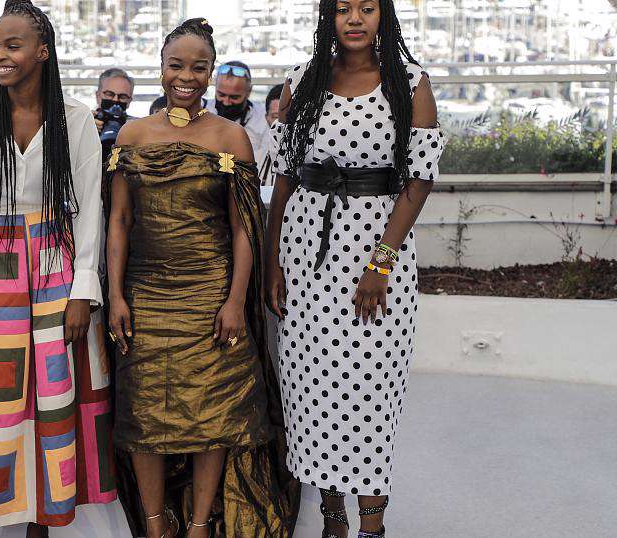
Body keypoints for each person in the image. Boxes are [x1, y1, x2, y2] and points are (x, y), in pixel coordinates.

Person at [0, 1, 116, 536]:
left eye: (12, 45)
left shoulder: (75, 120)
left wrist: (84, 290)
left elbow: (89, 209)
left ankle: (41, 520)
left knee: (53, 399)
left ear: (42, 51)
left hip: (57, 268)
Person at [107, 18, 298, 538]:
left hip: (211, 294)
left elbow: (243, 228)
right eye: (176, 65)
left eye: (198, 67)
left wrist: (236, 301)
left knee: (214, 413)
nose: (186, 77)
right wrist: (115, 294)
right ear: (161, 67)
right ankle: (154, 525)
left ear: (210, 73)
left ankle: (196, 525)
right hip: (144, 294)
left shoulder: (231, 137)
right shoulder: (132, 135)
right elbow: (119, 220)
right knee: (144, 412)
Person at [264, 1, 444, 537]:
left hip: (377, 255)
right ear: (329, 17)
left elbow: (418, 181)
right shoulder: (303, 80)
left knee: (370, 393)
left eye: (367, 7)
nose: (355, 18)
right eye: (343, 8)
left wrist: (380, 265)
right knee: (311, 391)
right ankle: (333, 519)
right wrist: (273, 261)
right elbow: (284, 178)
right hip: (305, 255)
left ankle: (372, 525)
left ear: (383, 15)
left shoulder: (410, 83)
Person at [204, 60, 270, 164]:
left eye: (234, 97)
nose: (226, 102)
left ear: (248, 92)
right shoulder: (201, 110)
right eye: (221, 95)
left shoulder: (263, 118)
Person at [94, 67, 136, 150]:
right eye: (109, 94)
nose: (115, 100)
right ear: (98, 96)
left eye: (122, 97)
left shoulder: (137, 126)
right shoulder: (85, 122)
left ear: (129, 101)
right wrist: (86, 128)